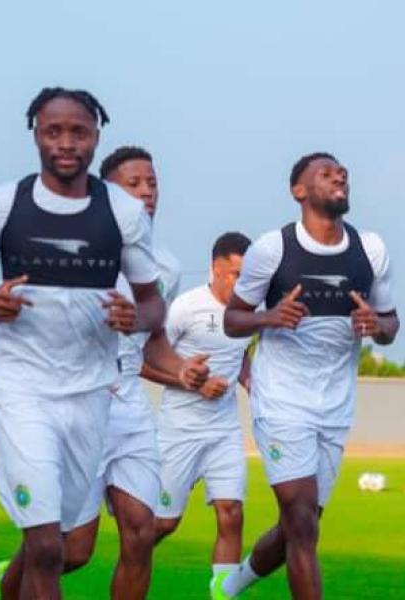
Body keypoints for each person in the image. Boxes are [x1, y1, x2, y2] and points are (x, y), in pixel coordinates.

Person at [0, 88, 165, 600]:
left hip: (91, 395)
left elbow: (154, 305)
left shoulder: (123, 213)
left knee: (67, 546)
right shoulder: (1, 205)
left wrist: (134, 318)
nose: (66, 143)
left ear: (95, 137)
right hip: (21, 390)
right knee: (44, 545)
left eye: (79, 132)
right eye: (54, 131)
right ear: (37, 135)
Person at [217, 153, 399, 600]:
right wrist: (270, 317)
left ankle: (232, 583)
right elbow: (232, 320)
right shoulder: (273, 249)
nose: (339, 175)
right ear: (298, 191)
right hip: (281, 400)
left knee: (300, 525)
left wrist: (377, 326)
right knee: (301, 521)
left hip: (335, 406)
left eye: (342, 172)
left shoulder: (370, 249)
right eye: (325, 172)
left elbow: (392, 325)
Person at [60, 146, 208, 600]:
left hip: (129, 407)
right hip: (76, 401)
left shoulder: (166, 265)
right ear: (108, 192)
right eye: (134, 183)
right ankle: (9, 580)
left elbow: (155, 340)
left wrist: (182, 369)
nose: (147, 192)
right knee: (71, 552)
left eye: (153, 182)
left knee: (143, 533)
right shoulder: (80, 249)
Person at [150, 232, 253, 599]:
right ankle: (132, 566)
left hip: (224, 430)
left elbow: (239, 355)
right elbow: (145, 360)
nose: (243, 284)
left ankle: (223, 594)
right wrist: (192, 382)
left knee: (231, 512)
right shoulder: (185, 308)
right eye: (236, 274)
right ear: (215, 269)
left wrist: (252, 383)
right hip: (179, 431)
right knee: (163, 524)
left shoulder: (249, 312)